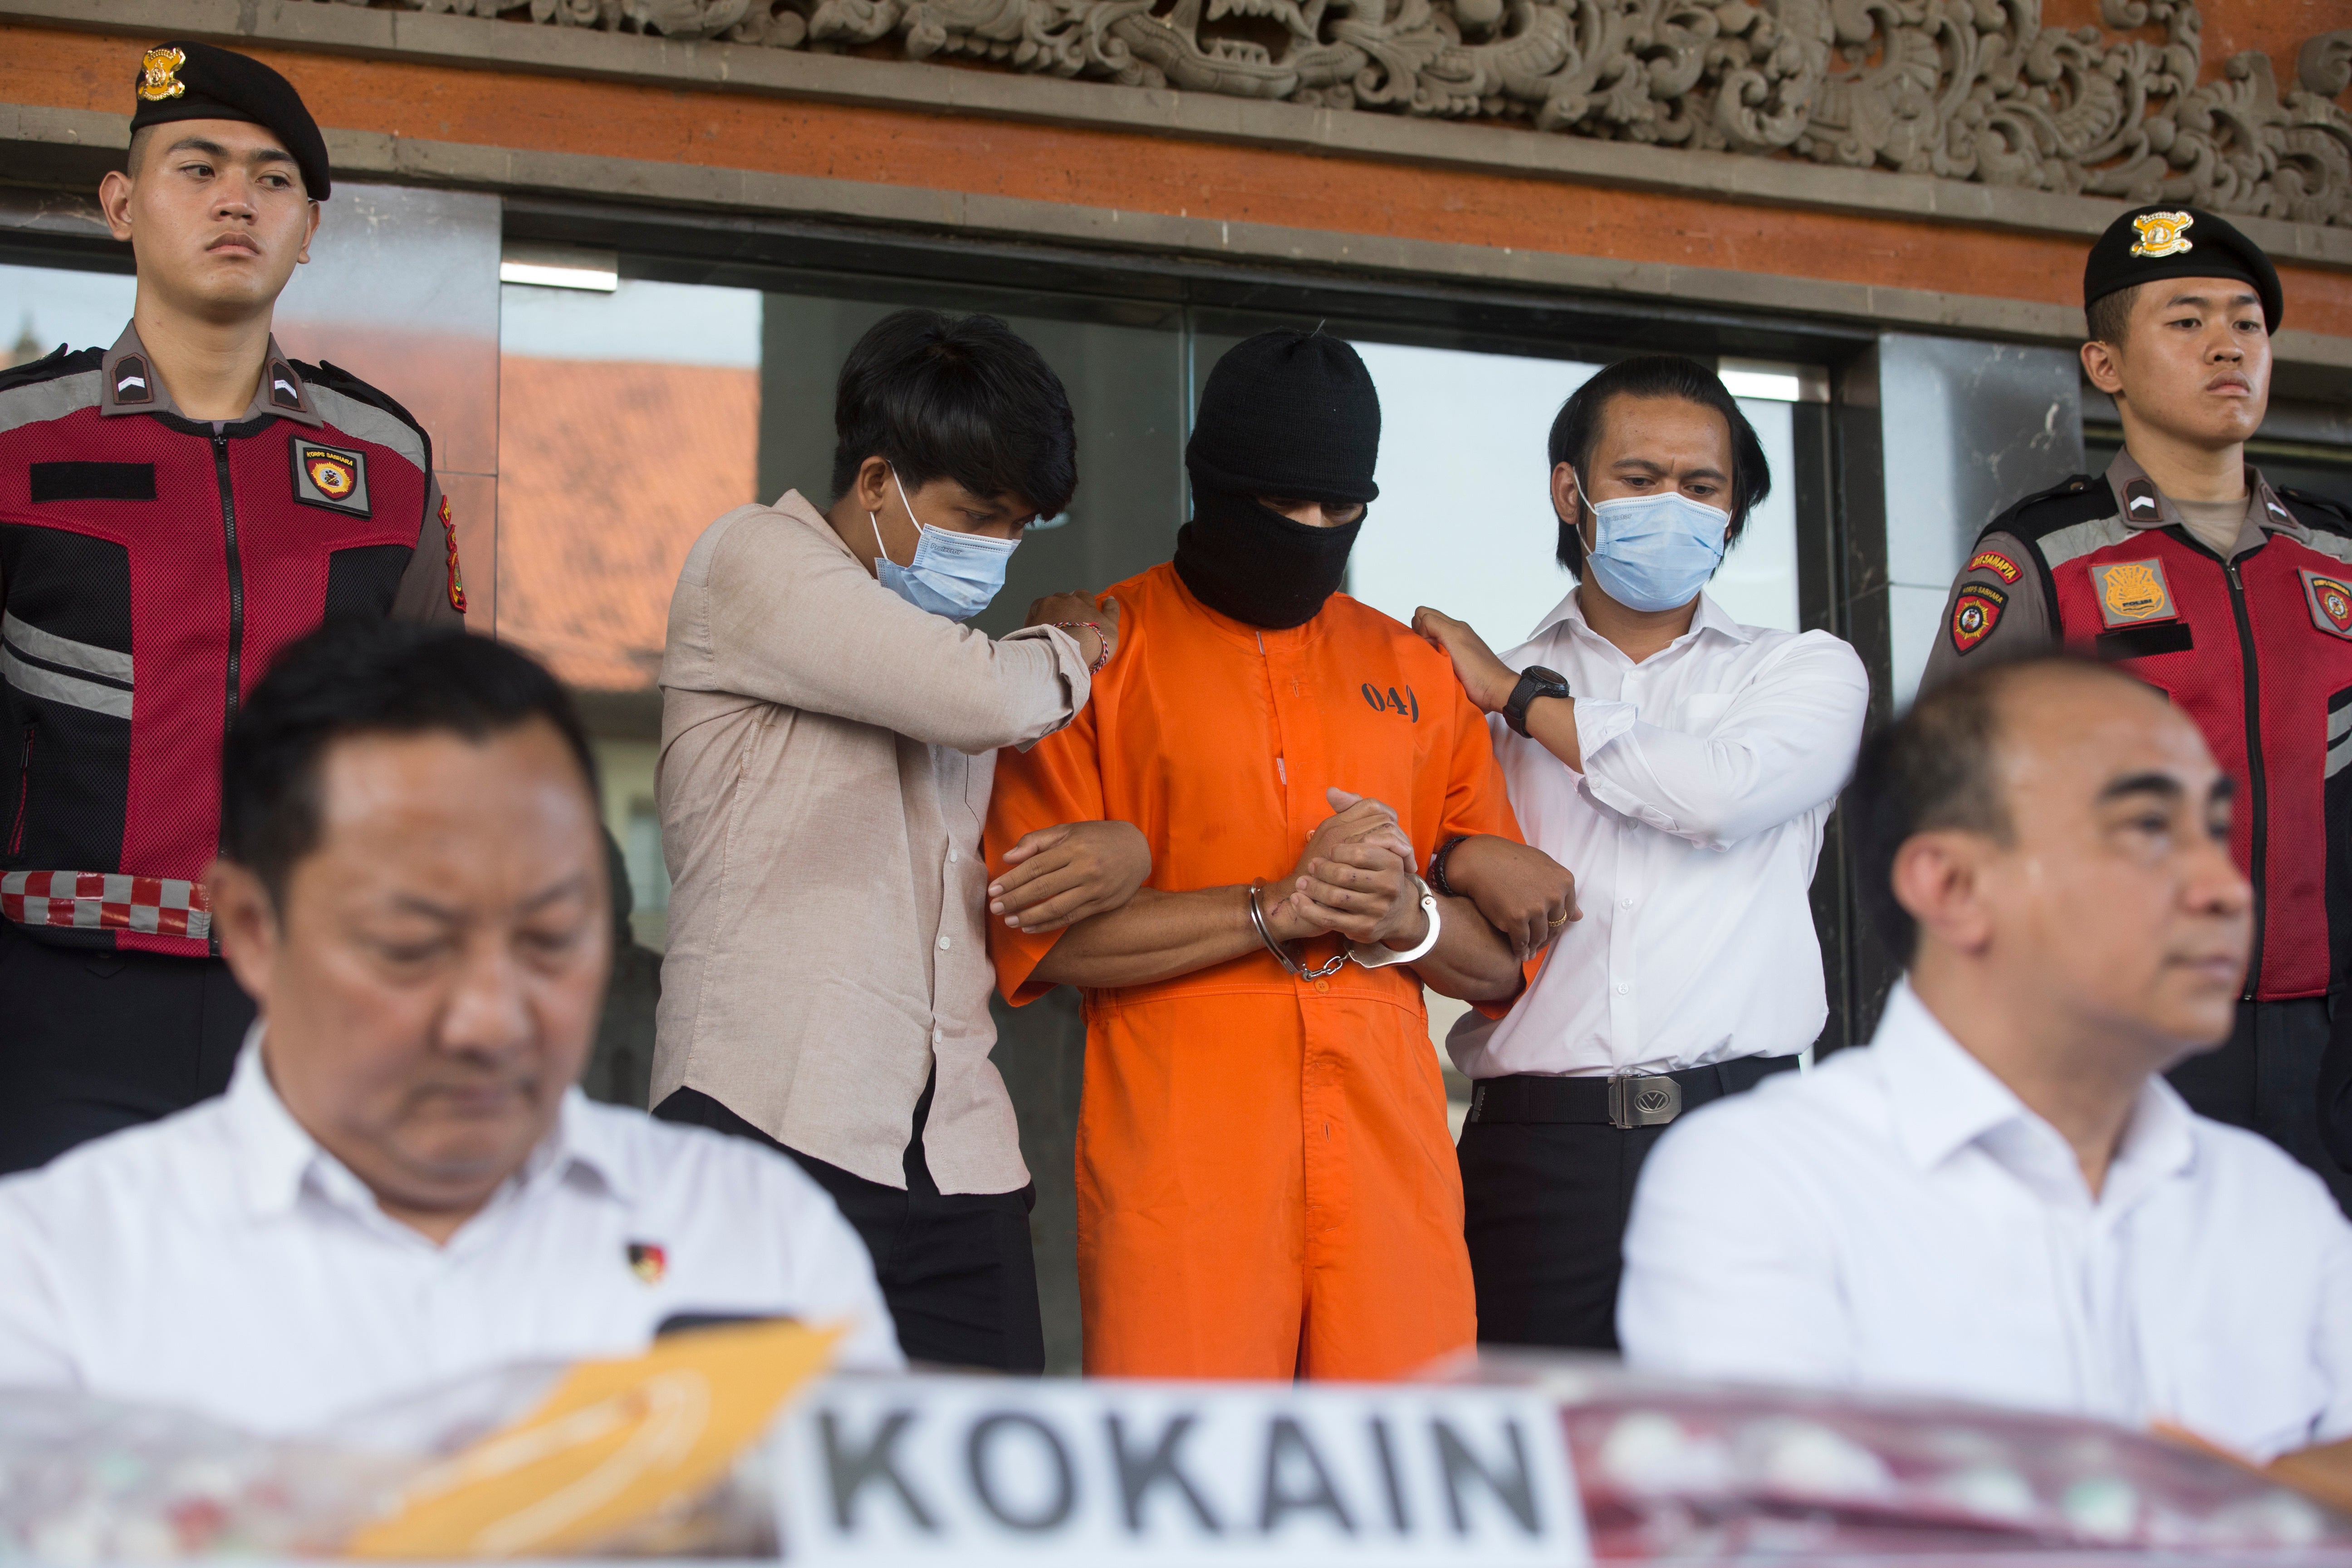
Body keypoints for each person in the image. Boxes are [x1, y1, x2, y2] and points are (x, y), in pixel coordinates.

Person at [0, 624, 899, 1435]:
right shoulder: (63, 1276)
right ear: (251, 930)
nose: (490, 1020)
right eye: (410, 947)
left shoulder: (754, 1236)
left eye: (551, 939)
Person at [985, 328, 1577, 1380]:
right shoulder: (1097, 656)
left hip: (1391, 1172)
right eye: (1282, 506)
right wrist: (1274, 908)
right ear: (1214, 486)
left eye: (1340, 509)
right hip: (1185, 1172)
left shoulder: (1415, 671)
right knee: (1183, 1506)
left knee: (1401, 1509)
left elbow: (1498, 968)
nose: (1312, 531)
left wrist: (1408, 921)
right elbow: (1039, 940)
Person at [1618, 657, 2352, 1460]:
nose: (2226, 889)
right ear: (1953, 886)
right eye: (2148, 828)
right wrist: (2258, 1497)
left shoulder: (2277, 1207)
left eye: (2214, 832)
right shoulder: (1769, 1184)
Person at [649, 309, 1146, 1374]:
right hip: (764, 1117)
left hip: (956, 1156)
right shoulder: (753, 559)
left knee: (982, 1514)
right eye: (976, 516)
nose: (997, 552)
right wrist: (1078, 640)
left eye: (1019, 529)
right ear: (875, 482)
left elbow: (1017, 842)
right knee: (754, 1521)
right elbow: (976, 697)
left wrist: (1130, 855)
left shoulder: (954, 655)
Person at [0, 41, 466, 1174]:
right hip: (54, 1000)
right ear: (121, 204)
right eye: (196, 168)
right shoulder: (19, 440)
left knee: (292, 1341)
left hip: (311, 1013)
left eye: (271, 181)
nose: (234, 203)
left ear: (307, 229)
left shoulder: (388, 461)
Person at [1412, 355, 1869, 1353]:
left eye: (1702, 487)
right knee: (1539, 1469)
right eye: (1639, 478)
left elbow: (1717, 794)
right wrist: (1453, 861)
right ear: (1570, 492)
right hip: (1536, 1154)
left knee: (1744, 1480)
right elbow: (1410, 854)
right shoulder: (1460, 704)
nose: (1673, 503)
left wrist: (1521, 699)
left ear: (1735, 512)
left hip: (1741, 1137)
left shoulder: (1802, 671)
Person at [1921, 204, 2352, 1214]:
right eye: (2186, 320)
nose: (2227, 347)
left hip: (2332, 1047)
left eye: (2247, 323)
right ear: (2105, 366)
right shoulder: (2045, 557)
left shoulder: (2336, 560)